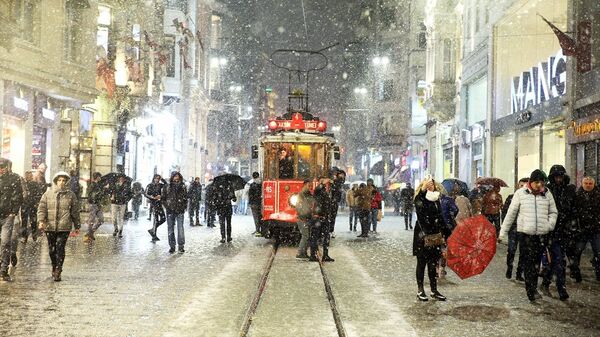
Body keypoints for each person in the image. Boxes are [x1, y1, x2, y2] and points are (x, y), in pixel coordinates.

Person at [499, 169, 558, 302]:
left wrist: (549, 225)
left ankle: (533, 287)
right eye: (537, 182)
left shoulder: (547, 194)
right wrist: (502, 233)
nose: (539, 185)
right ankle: (531, 290)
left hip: (542, 234)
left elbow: (553, 212)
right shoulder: (521, 194)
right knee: (529, 263)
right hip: (526, 235)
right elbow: (510, 214)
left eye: (541, 183)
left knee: (537, 264)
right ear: (531, 182)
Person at [37, 171, 80, 281]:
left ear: (66, 182)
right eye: (59, 180)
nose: (61, 182)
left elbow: (75, 211)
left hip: (64, 227)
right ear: (56, 181)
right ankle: (54, 265)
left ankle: (58, 269)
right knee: (52, 250)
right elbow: (42, 209)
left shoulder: (71, 195)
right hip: (50, 226)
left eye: (64, 180)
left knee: (60, 247)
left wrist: (77, 225)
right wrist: (41, 221)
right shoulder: (47, 194)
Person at [540, 165, 575, 300]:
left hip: (564, 232)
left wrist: (572, 227)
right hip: (550, 231)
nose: (558, 179)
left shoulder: (568, 190)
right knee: (556, 262)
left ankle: (552, 285)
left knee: (558, 262)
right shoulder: (547, 190)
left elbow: (572, 209)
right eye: (556, 176)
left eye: (560, 176)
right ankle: (558, 288)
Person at [413, 177, 450, 301]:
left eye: (432, 184)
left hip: (435, 236)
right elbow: (420, 210)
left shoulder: (436, 199)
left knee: (433, 264)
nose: (430, 186)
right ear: (423, 186)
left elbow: (440, 217)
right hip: (422, 236)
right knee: (421, 263)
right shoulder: (420, 199)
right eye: (427, 185)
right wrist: (423, 192)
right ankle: (420, 290)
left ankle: (434, 290)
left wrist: (446, 232)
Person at [571, 176, 600, 282]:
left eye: (590, 183)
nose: (588, 185)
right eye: (586, 183)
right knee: (577, 252)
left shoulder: (598, 195)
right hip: (581, 229)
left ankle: (598, 273)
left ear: (594, 184)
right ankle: (575, 272)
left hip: (596, 229)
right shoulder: (577, 195)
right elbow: (573, 211)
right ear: (582, 184)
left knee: (598, 252)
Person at [502, 177, 529, 281]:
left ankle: (519, 273)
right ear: (518, 186)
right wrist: (506, 227)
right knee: (511, 250)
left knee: (523, 252)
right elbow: (505, 213)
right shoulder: (511, 197)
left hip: (524, 229)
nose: (523, 188)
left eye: (525, 185)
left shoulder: (530, 199)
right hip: (513, 229)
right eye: (521, 185)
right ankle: (509, 268)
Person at [309, 177, 334, 262]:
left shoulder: (325, 191)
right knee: (315, 237)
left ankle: (325, 255)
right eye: (323, 181)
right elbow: (317, 190)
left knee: (326, 237)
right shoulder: (318, 190)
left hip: (325, 217)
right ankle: (313, 255)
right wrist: (322, 183)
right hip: (317, 217)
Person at [163, 171, 188, 253]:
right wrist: (167, 206)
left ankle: (181, 246)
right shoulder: (167, 186)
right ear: (172, 177)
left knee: (180, 228)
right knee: (170, 229)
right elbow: (163, 198)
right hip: (170, 210)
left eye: (177, 176)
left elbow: (185, 198)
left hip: (180, 210)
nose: (176, 178)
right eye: (175, 176)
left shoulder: (183, 186)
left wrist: (183, 206)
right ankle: (172, 246)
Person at [21, 170, 42, 243]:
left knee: (33, 221)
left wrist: (36, 202)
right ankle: (25, 236)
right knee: (25, 221)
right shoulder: (23, 185)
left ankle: (33, 235)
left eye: (30, 176)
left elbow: (39, 194)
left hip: (32, 205)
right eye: (28, 176)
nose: (29, 177)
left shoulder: (34, 184)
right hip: (25, 205)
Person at [84, 172, 105, 241]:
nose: (100, 178)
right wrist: (100, 193)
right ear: (97, 177)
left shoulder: (98, 185)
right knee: (91, 220)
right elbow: (92, 195)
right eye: (100, 176)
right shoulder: (92, 185)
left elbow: (99, 195)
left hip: (98, 204)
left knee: (101, 220)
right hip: (93, 204)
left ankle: (91, 232)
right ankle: (88, 235)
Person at [295, 179, 314, 259]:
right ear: (305, 185)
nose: (310, 187)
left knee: (307, 236)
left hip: (306, 218)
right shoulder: (301, 195)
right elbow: (299, 207)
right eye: (309, 185)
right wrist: (303, 216)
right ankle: (300, 253)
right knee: (305, 236)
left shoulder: (308, 194)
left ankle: (304, 253)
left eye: (311, 186)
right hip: (303, 219)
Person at [145, 174, 166, 241]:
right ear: (153, 178)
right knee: (156, 219)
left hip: (159, 203)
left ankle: (152, 230)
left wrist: (162, 179)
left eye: (158, 178)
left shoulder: (160, 185)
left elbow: (167, 185)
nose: (157, 179)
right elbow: (145, 193)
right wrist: (152, 197)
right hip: (153, 204)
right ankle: (154, 235)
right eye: (156, 178)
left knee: (163, 218)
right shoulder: (150, 185)